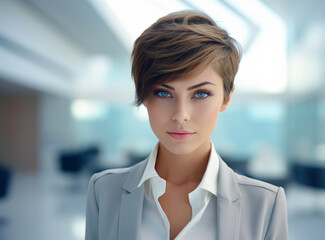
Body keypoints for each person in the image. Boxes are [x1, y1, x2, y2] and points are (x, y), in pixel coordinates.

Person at [85, 10, 288, 240]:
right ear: (143, 95)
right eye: (163, 92)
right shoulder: (104, 190)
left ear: (226, 97)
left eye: (201, 94)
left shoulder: (265, 204)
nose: (181, 115)